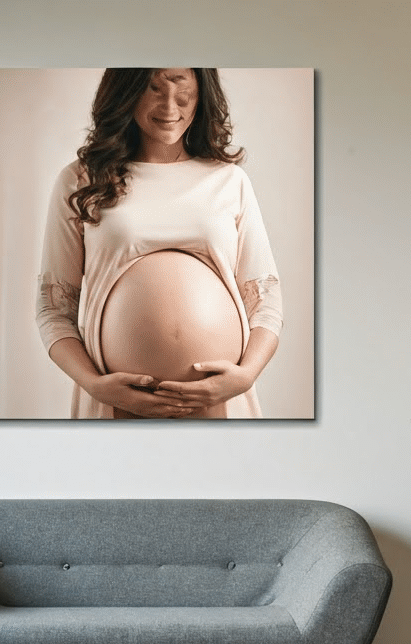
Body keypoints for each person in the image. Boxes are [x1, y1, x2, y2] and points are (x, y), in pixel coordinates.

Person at [35, 68, 283, 419]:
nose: (169, 107)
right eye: (153, 90)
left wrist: (244, 377)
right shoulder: (82, 180)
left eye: (184, 94)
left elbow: (266, 301)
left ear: (202, 96)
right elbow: (53, 308)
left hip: (218, 403)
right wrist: (93, 384)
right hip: (117, 404)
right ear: (126, 92)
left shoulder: (230, 181)